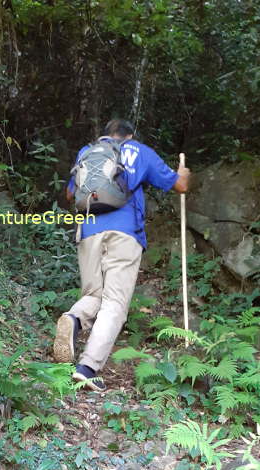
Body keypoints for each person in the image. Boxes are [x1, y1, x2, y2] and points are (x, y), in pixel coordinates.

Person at [53, 118, 190, 392]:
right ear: (130, 135)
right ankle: (88, 367)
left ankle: (74, 318)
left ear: (105, 136)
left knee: (93, 294)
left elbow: (70, 194)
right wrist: (183, 173)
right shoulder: (139, 151)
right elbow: (179, 186)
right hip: (125, 233)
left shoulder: (87, 152)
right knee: (114, 303)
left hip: (88, 230)